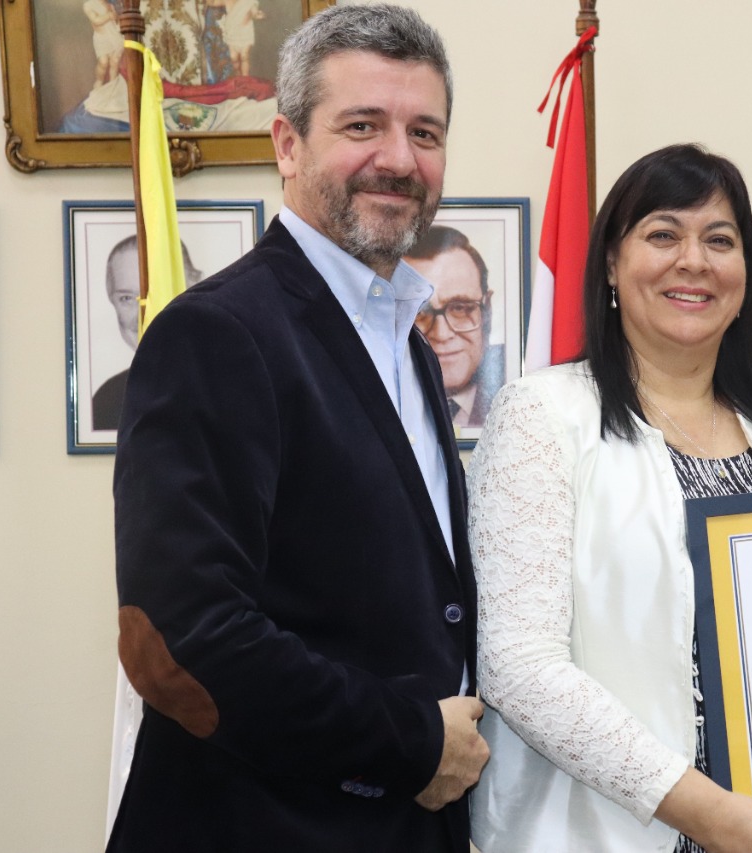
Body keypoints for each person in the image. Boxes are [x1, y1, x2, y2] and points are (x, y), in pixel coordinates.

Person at [108, 6, 487, 852]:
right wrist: (413, 739)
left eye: (424, 132)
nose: (399, 159)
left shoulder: (409, 345)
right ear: (287, 144)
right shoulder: (215, 333)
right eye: (362, 125)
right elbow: (185, 640)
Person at [468, 144, 752, 853]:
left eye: (719, 240)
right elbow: (520, 667)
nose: (693, 261)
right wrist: (704, 811)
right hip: (599, 833)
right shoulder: (542, 416)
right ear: (610, 263)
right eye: (663, 234)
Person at [92, 235, 204, 431]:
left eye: (156, 294)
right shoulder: (106, 400)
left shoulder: (225, 388)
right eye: (127, 298)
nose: (143, 316)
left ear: (194, 287)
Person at [405, 225, 503, 429]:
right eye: (419, 312)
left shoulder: (518, 392)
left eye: (460, 308)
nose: (441, 334)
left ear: (487, 310)